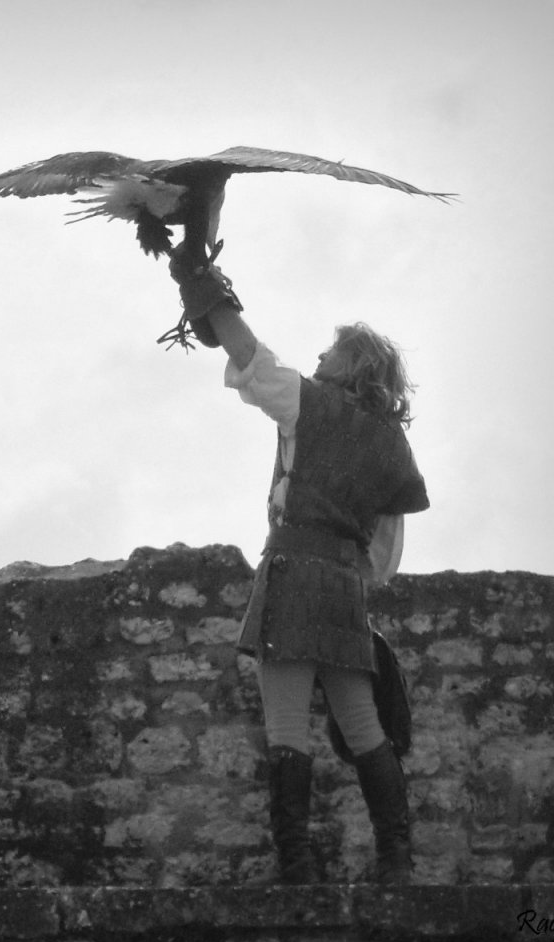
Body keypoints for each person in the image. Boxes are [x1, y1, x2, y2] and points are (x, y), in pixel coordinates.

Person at [168, 246, 430, 885]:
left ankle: (299, 866)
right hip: (343, 591)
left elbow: (249, 356)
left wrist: (203, 285)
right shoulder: (394, 444)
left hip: (290, 576)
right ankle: (397, 863)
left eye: (330, 353)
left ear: (352, 368)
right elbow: (384, 559)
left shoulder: (308, 402)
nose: (317, 359)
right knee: (365, 728)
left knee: (287, 727)